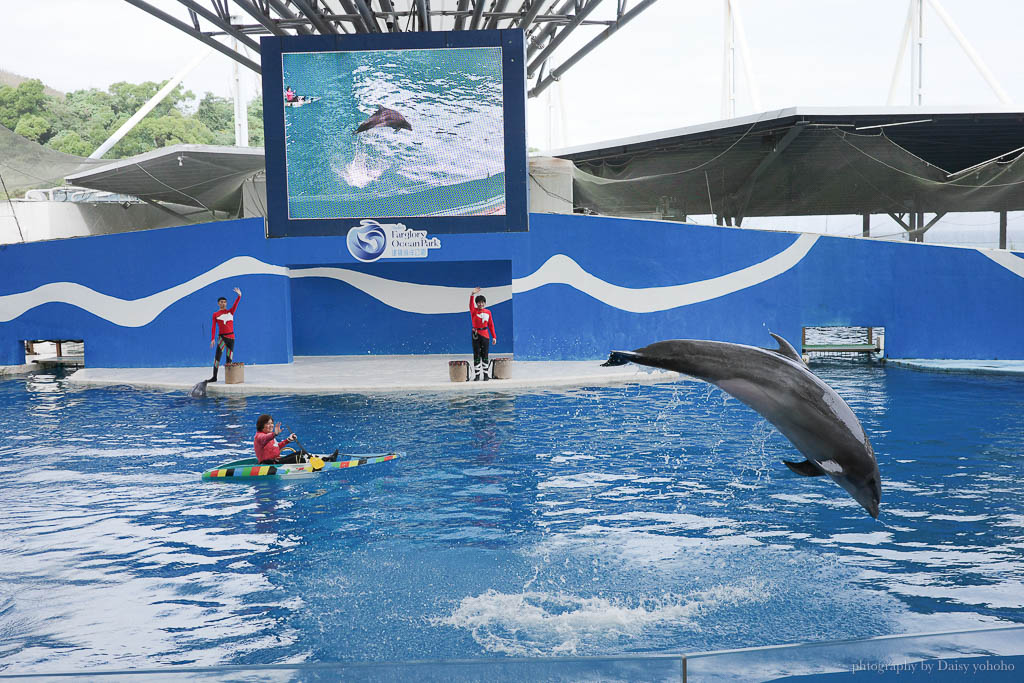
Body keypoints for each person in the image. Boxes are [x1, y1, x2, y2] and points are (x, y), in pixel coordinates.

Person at [209, 287, 241, 383]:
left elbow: (236, 304)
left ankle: (229, 378)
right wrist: (212, 338)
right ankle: (214, 377)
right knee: (217, 358)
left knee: (229, 358)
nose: (223, 303)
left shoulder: (230, 312)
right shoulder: (215, 314)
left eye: (225, 302)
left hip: (231, 337)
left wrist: (239, 296)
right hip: (221, 338)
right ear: (218, 303)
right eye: (221, 302)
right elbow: (213, 326)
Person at [469, 287, 497, 381]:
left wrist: (494, 336)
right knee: (477, 354)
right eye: (479, 302)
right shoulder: (474, 311)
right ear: (477, 304)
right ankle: (477, 375)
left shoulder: (488, 312)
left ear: (485, 303)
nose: (481, 304)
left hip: (485, 335)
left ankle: (485, 375)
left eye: (482, 302)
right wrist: (472, 294)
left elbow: (491, 325)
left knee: (485, 354)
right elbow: (471, 305)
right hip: (476, 335)